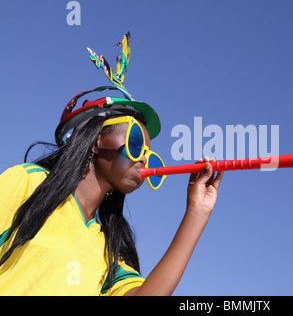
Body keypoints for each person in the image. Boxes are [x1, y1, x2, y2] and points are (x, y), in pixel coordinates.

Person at [0, 89, 224, 295]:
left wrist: (197, 211)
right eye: (135, 142)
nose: (144, 158)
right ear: (97, 140)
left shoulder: (108, 248)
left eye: (148, 152)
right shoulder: (29, 182)